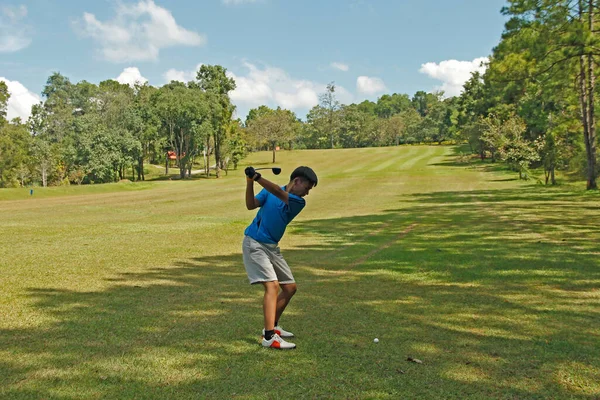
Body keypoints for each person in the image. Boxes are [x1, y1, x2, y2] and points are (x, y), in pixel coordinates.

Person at [242, 165, 318, 349]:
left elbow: (276, 190)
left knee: (290, 288)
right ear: (297, 181)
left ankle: (272, 326)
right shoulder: (269, 191)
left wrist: (258, 177)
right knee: (272, 285)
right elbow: (251, 204)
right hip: (255, 243)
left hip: (272, 247)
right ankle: (269, 337)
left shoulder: (297, 201)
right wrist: (250, 182)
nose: (307, 193)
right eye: (307, 188)